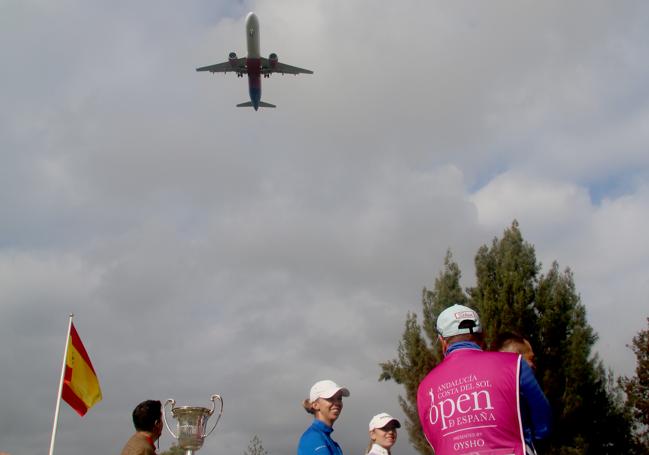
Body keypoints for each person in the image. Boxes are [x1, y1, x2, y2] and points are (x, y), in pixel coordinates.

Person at [416, 304, 551, 455]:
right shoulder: (515, 364)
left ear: (442, 341)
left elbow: (435, 442)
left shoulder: (425, 387)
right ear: (483, 335)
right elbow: (543, 424)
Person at [494, 332, 540, 454]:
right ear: (516, 358)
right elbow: (544, 424)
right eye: (531, 358)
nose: (533, 365)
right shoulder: (524, 385)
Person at [297, 380, 350, 455]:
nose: (337, 403)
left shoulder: (328, 441)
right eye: (330, 398)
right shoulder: (313, 438)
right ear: (315, 405)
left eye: (339, 399)